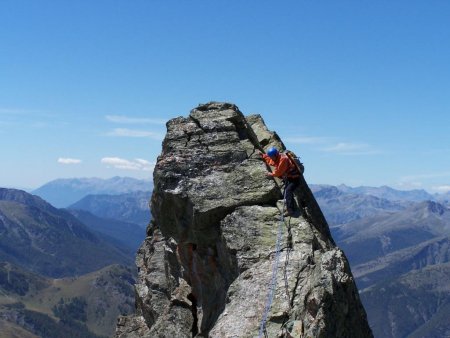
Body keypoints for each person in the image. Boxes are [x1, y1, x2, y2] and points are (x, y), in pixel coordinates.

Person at [260, 147, 301, 217]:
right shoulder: (277, 157)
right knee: (286, 191)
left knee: (288, 191)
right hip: (289, 177)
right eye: (271, 157)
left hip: (295, 178)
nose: (272, 158)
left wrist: (271, 174)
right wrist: (263, 156)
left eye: (272, 157)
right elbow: (271, 161)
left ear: (276, 155)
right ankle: (289, 207)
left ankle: (290, 210)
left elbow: (278, 173)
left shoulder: (283, 159)